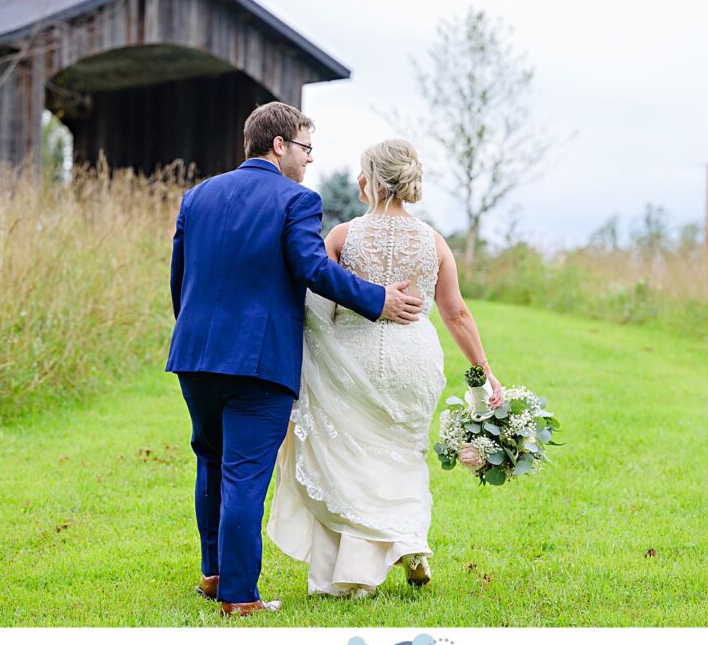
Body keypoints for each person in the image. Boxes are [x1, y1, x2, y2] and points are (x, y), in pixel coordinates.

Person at [166, 104, 424, 617]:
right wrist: (378, 299)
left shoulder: (197, 196)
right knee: (244, 475)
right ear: (279, 145)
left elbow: (180, 277)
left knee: (212, 462)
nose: (309, 161)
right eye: (306, 148)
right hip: (258, 362)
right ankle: (240, 597)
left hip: (195, 355)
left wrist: (195, 334)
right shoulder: (297, 200)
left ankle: (215, 573)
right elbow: (312, 268)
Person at [267, 138, 504, 598]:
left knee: (351, 461)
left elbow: (316, 308)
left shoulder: (341, 236)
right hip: (412, 362)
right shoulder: (434, 242)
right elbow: (456, 314)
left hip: (351, 359)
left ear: (371, 179)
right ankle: (411, 545)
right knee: (401, 456)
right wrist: (484, 371)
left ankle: (351, 576)